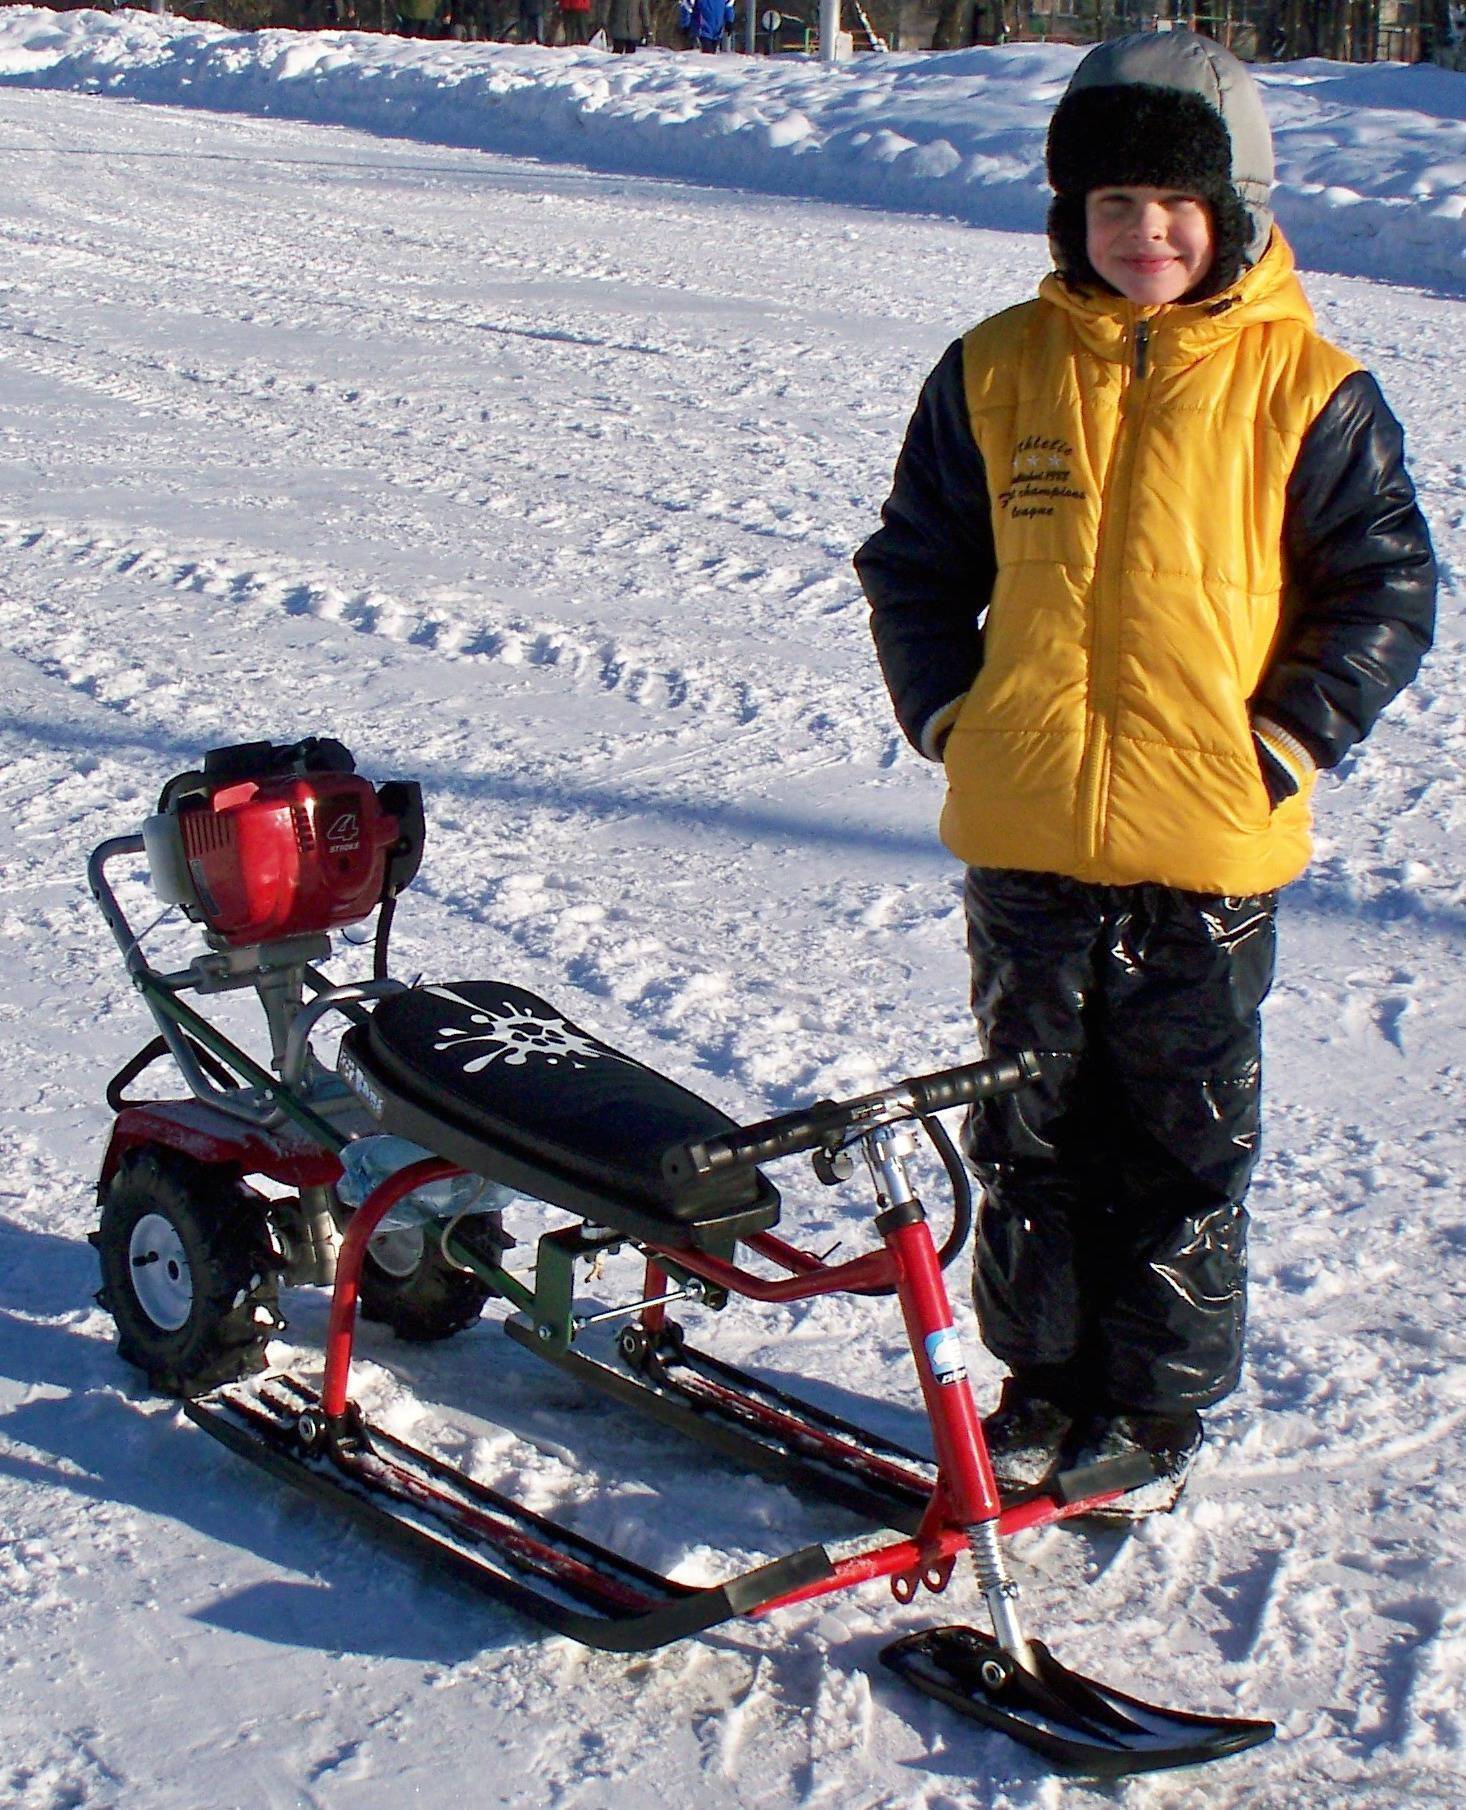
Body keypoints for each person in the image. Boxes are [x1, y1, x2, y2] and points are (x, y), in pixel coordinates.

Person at [854, 31, 1436, 1516]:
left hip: (1206, 846)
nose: (1143, 233)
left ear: (1232, 211)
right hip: (1029, 828)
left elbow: (1383, 585)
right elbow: (915, 563)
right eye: (1112, 203)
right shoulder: (993, 368)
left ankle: (1153, 1408)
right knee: (1031, 1127)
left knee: (1180, 1141)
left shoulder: (1309, 387)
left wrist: (1283, 738)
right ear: (1069, 214)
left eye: (1174, 205)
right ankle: (1042, 1381)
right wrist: (953, 717)